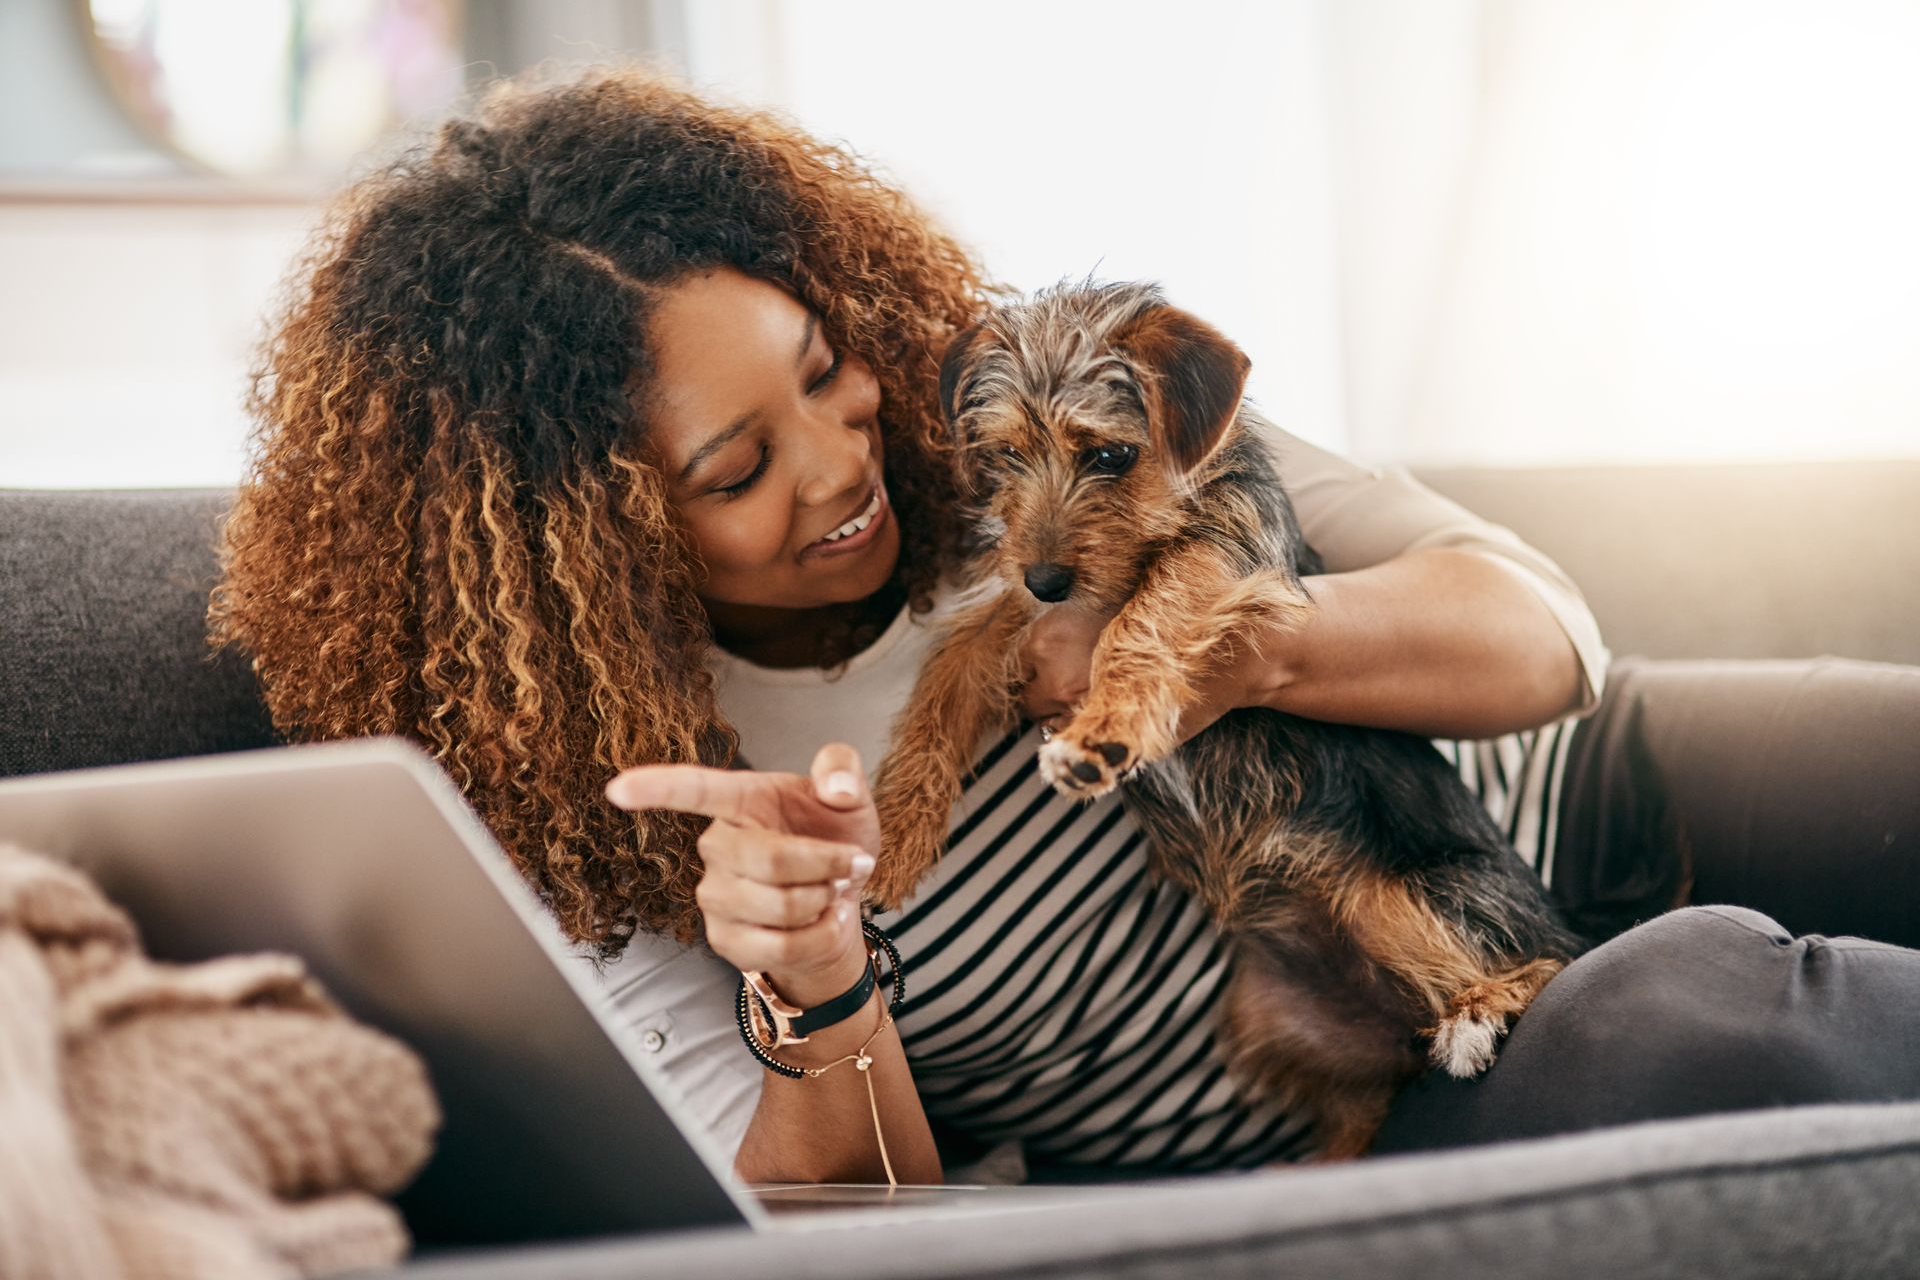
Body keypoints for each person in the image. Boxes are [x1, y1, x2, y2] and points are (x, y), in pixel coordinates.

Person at [210, 65, 1920, 1189]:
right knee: (1709, 1008)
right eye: (740, 466)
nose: (848, 462)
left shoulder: (1018, 407)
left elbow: (1545, 631)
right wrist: (811, 978)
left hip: (1576, 783)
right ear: (575, 541)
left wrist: (1227, 651)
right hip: (1385, 1078)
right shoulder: (620, 812)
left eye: (825, 366)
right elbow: (837, 1222)